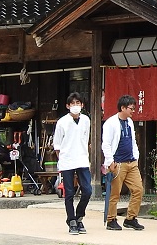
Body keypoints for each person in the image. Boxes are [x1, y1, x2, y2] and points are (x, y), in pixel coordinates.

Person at [101, 94, 145, 232]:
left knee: (138, 189)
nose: (133, 111)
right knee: (115, 193)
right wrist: (109, 161)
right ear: (123, 108)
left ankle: (131, 218)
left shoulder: (130, 122)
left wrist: (136, 157)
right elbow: (106, 144)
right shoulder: (111, 123)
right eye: (131, 108)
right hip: (118, 162)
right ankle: (111, 219)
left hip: (131, 161)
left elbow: (133, 141)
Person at [53, 92, 92, 235]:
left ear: (82, 105)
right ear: (68, 106)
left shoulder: (86, 120)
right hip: (67, 160)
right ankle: (72, 220)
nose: (75, 106)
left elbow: (86, 139)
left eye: (78, 103)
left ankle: (79, 215)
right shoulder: (62, 122)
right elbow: (57, 145)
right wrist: (61, 160)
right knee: (69, 192)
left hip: (82, 159)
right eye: (72, 103)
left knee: (87, 190)